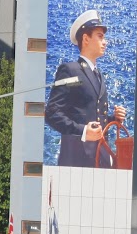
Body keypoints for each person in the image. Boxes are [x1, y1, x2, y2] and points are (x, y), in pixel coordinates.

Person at [46, 10, 126, 168]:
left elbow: (94, 116)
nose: (105, 42)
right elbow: (52, 113)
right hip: (77, 160)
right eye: (100, 36)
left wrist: (113, 119)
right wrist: (83, 131)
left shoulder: (99, 75)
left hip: (100, 158)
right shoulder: (70, 70)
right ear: (86, 39)